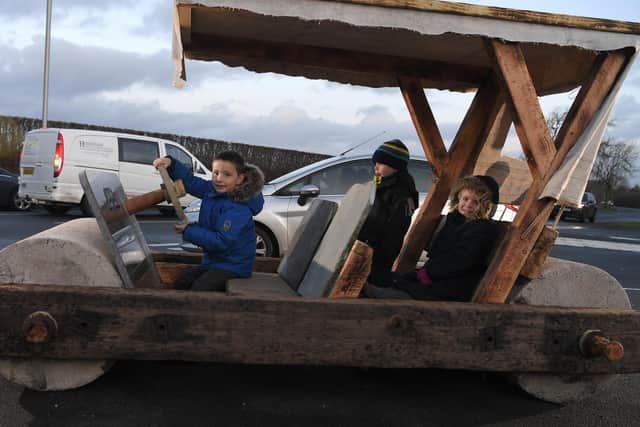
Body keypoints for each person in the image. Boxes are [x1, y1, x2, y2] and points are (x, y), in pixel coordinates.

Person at [364, 175, 500, 302]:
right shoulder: (455, 220)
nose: (468, 205)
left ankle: (388, 298)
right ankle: (378, 286)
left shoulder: (482, 229)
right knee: (395, 278)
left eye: (475, 202)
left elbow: (461, 260)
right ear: (458, 198)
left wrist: (430, 273)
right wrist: (427, 272)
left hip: (458, 282)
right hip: (438, 273)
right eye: (465, 199)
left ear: (484, 206)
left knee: (414, 288)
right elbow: (440, 250)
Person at [153, 151, 264, 291]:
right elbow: (191, 182)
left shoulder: (239, 209)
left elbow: (221, 241)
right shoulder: (213, 190)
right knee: (183, 281)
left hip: (234, 267)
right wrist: (171, 164)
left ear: (239, 179)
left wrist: (188, 230)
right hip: (214, 262)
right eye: (215, 173)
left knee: (200, 289)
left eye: (227, 175)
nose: (219, 179)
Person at [357, 139, 419, 285]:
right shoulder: (380, 184)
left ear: (395, 167)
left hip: (382, 248)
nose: (376, 167)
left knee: (375, 279)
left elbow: (397, 227)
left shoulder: (402, 193)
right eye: (375, 163)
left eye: (381, 163)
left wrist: (376, 241)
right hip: (367, 243)